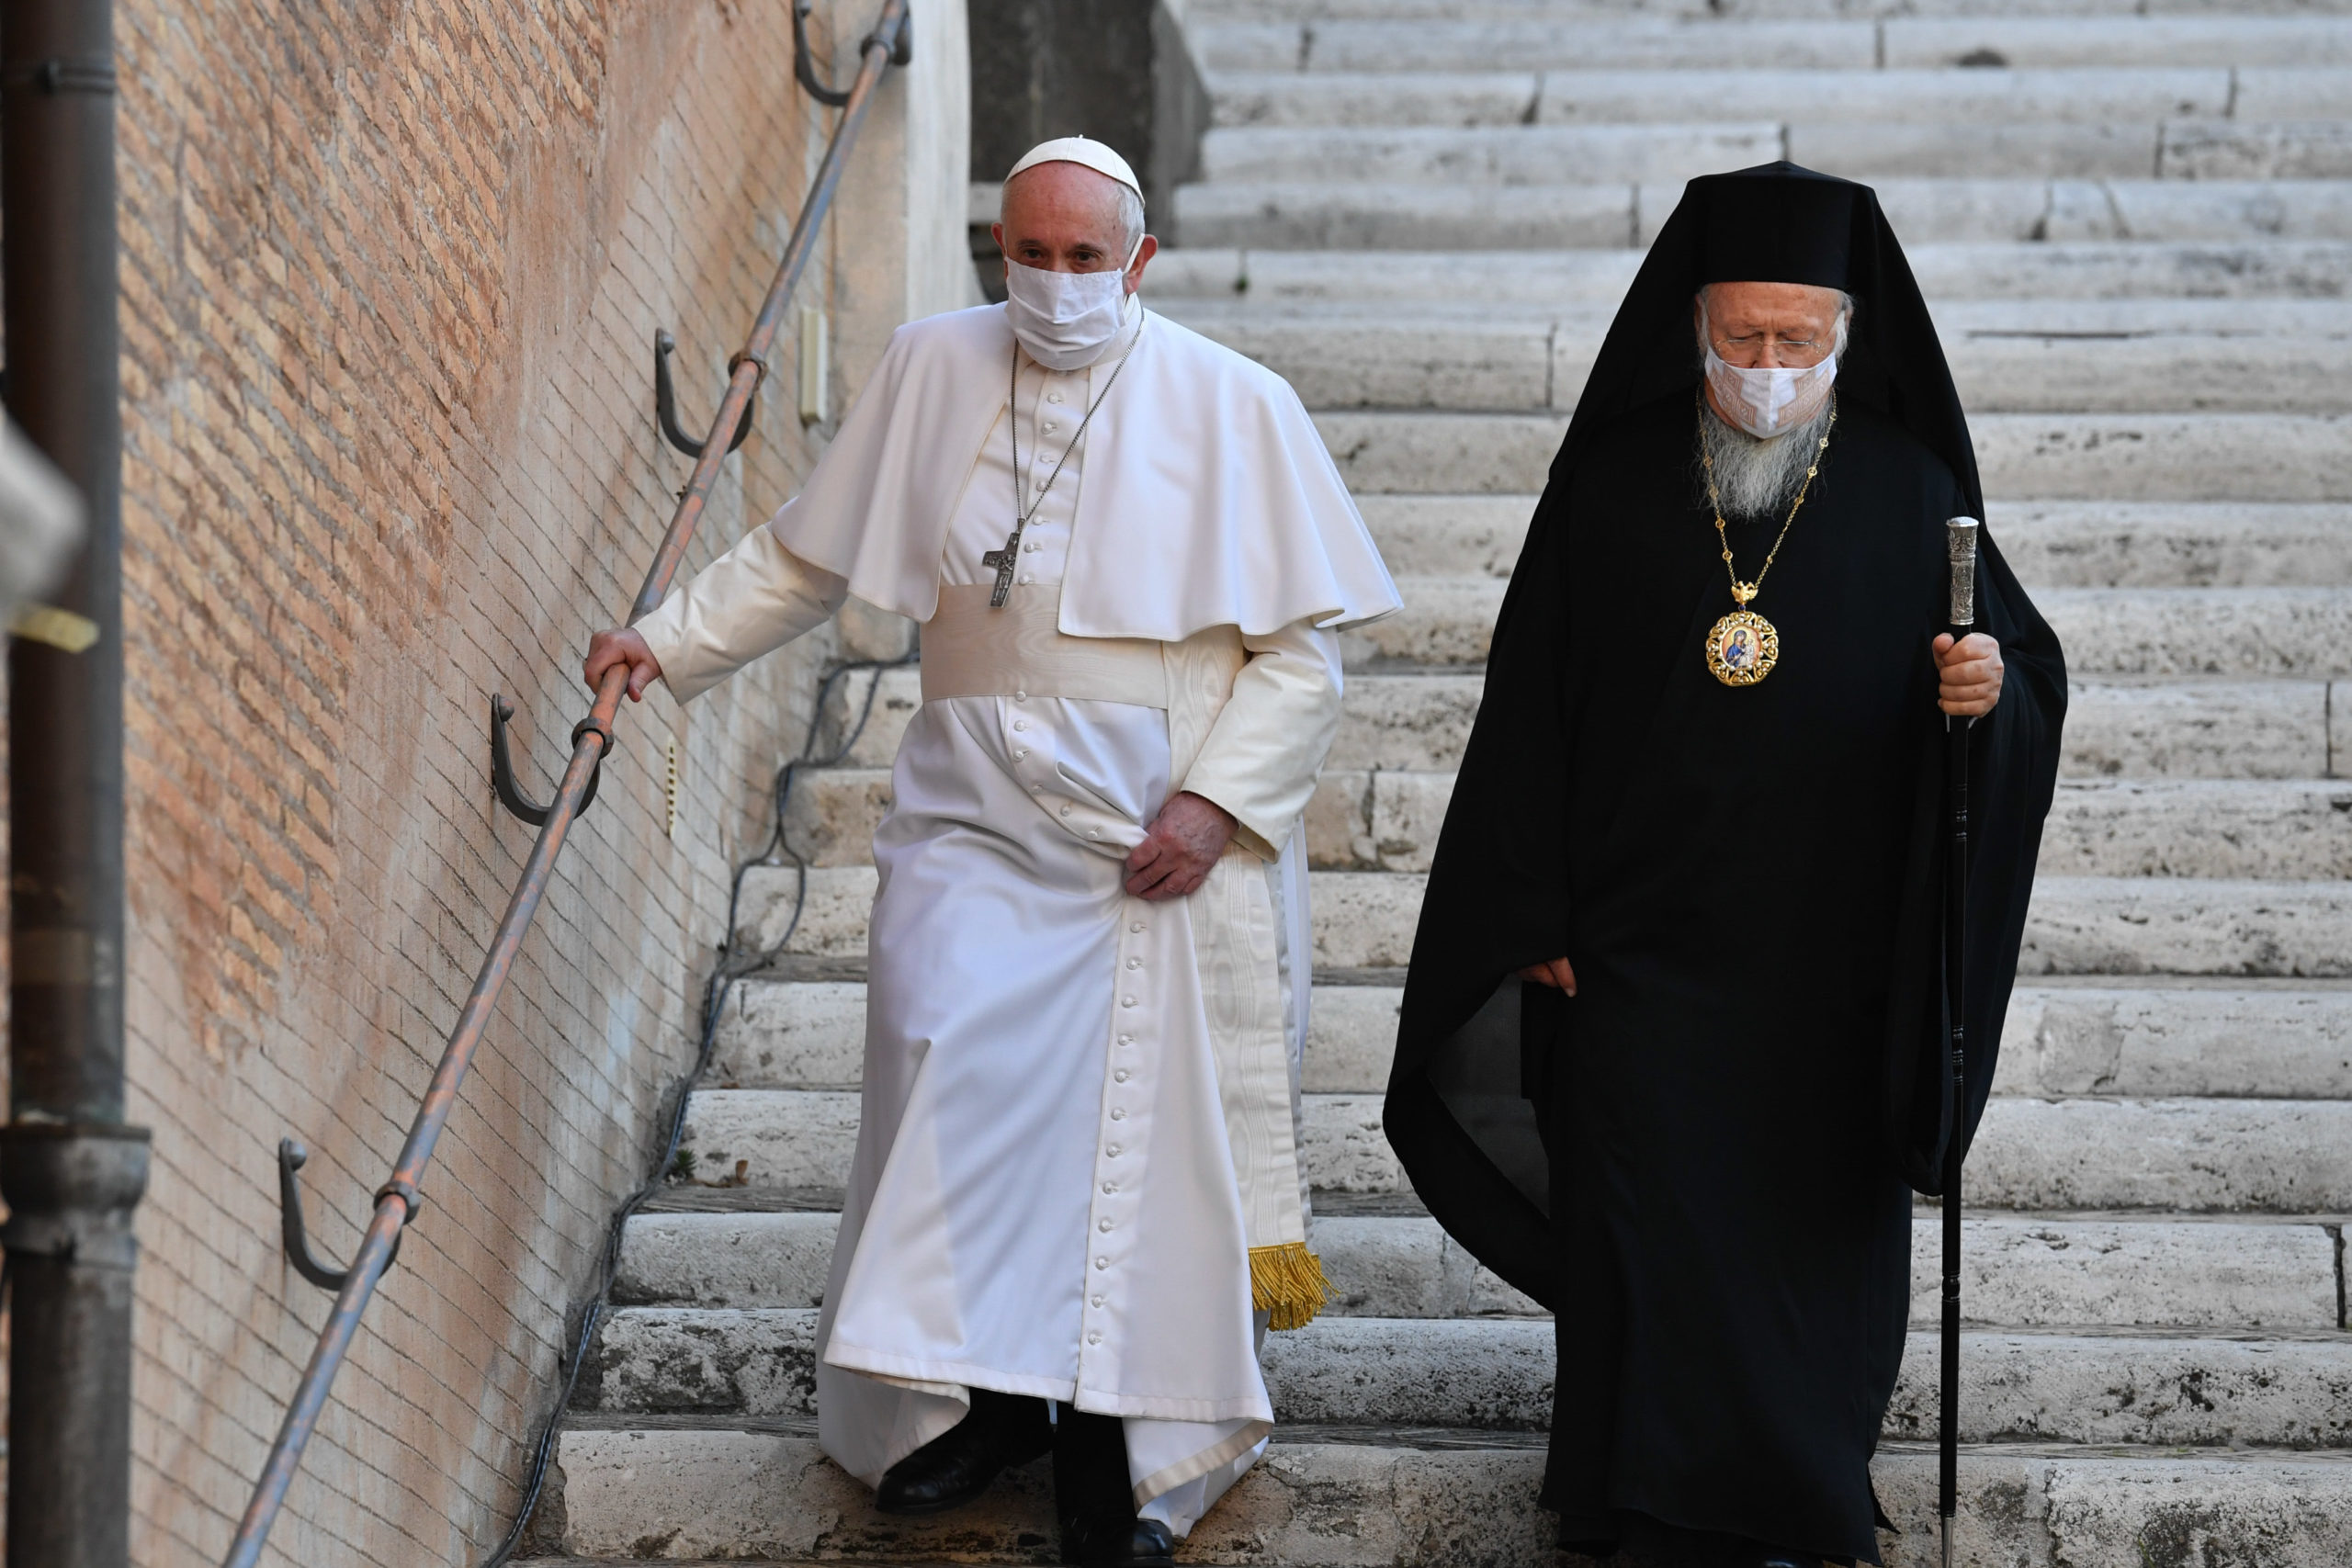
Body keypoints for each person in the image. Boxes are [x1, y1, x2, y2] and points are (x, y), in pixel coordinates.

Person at [585, 138, 1397, 1567]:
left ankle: (1113, 1448)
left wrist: (1212, 808)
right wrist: (666, 641)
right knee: (942, 1063)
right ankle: (988, 1401)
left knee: (1125, 1144)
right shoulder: (931, 365)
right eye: (1033, 253)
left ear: (1141, 261)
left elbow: (1300, 660)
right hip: (970, 809)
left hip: (1143, 838)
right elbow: (807, 555)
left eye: (1088, 259)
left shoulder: (1234, 401)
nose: (1059, 283)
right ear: (998, 249)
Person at [1382, 163, 2065, 1568]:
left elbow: (2011, 674)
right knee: (1645, 1233)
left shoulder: (1914, 489)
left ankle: (1801, 1498)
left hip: (1833, 963)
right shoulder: (1613, 483)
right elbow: (1528, 706)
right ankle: (1630, 1507)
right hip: (1637, 951)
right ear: (1693, 323)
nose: (1766, 367)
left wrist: (1985, 700)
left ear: (1847, 334)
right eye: (1741, 334)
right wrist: (1534, 904)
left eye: (1796, 338)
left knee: (1806, 1247)